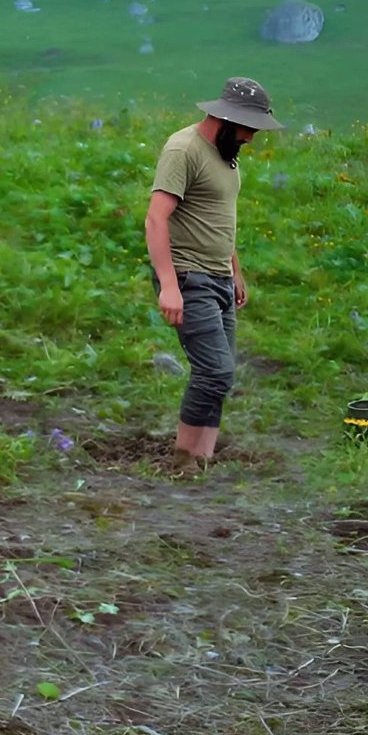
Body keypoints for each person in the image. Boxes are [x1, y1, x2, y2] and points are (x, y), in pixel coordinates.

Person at [144, 77, 283, 477]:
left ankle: (202, 458)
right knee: (214, 371)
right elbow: (156, 219)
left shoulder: (226, 154)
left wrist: (234, 270)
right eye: (247, 129)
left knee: (222, 375)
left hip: (219, 276)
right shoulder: (183, 150)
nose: (251, 138)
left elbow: (218, 217)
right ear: (224, 119)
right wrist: (169, 286)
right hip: (189, 276)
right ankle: (183, 461)